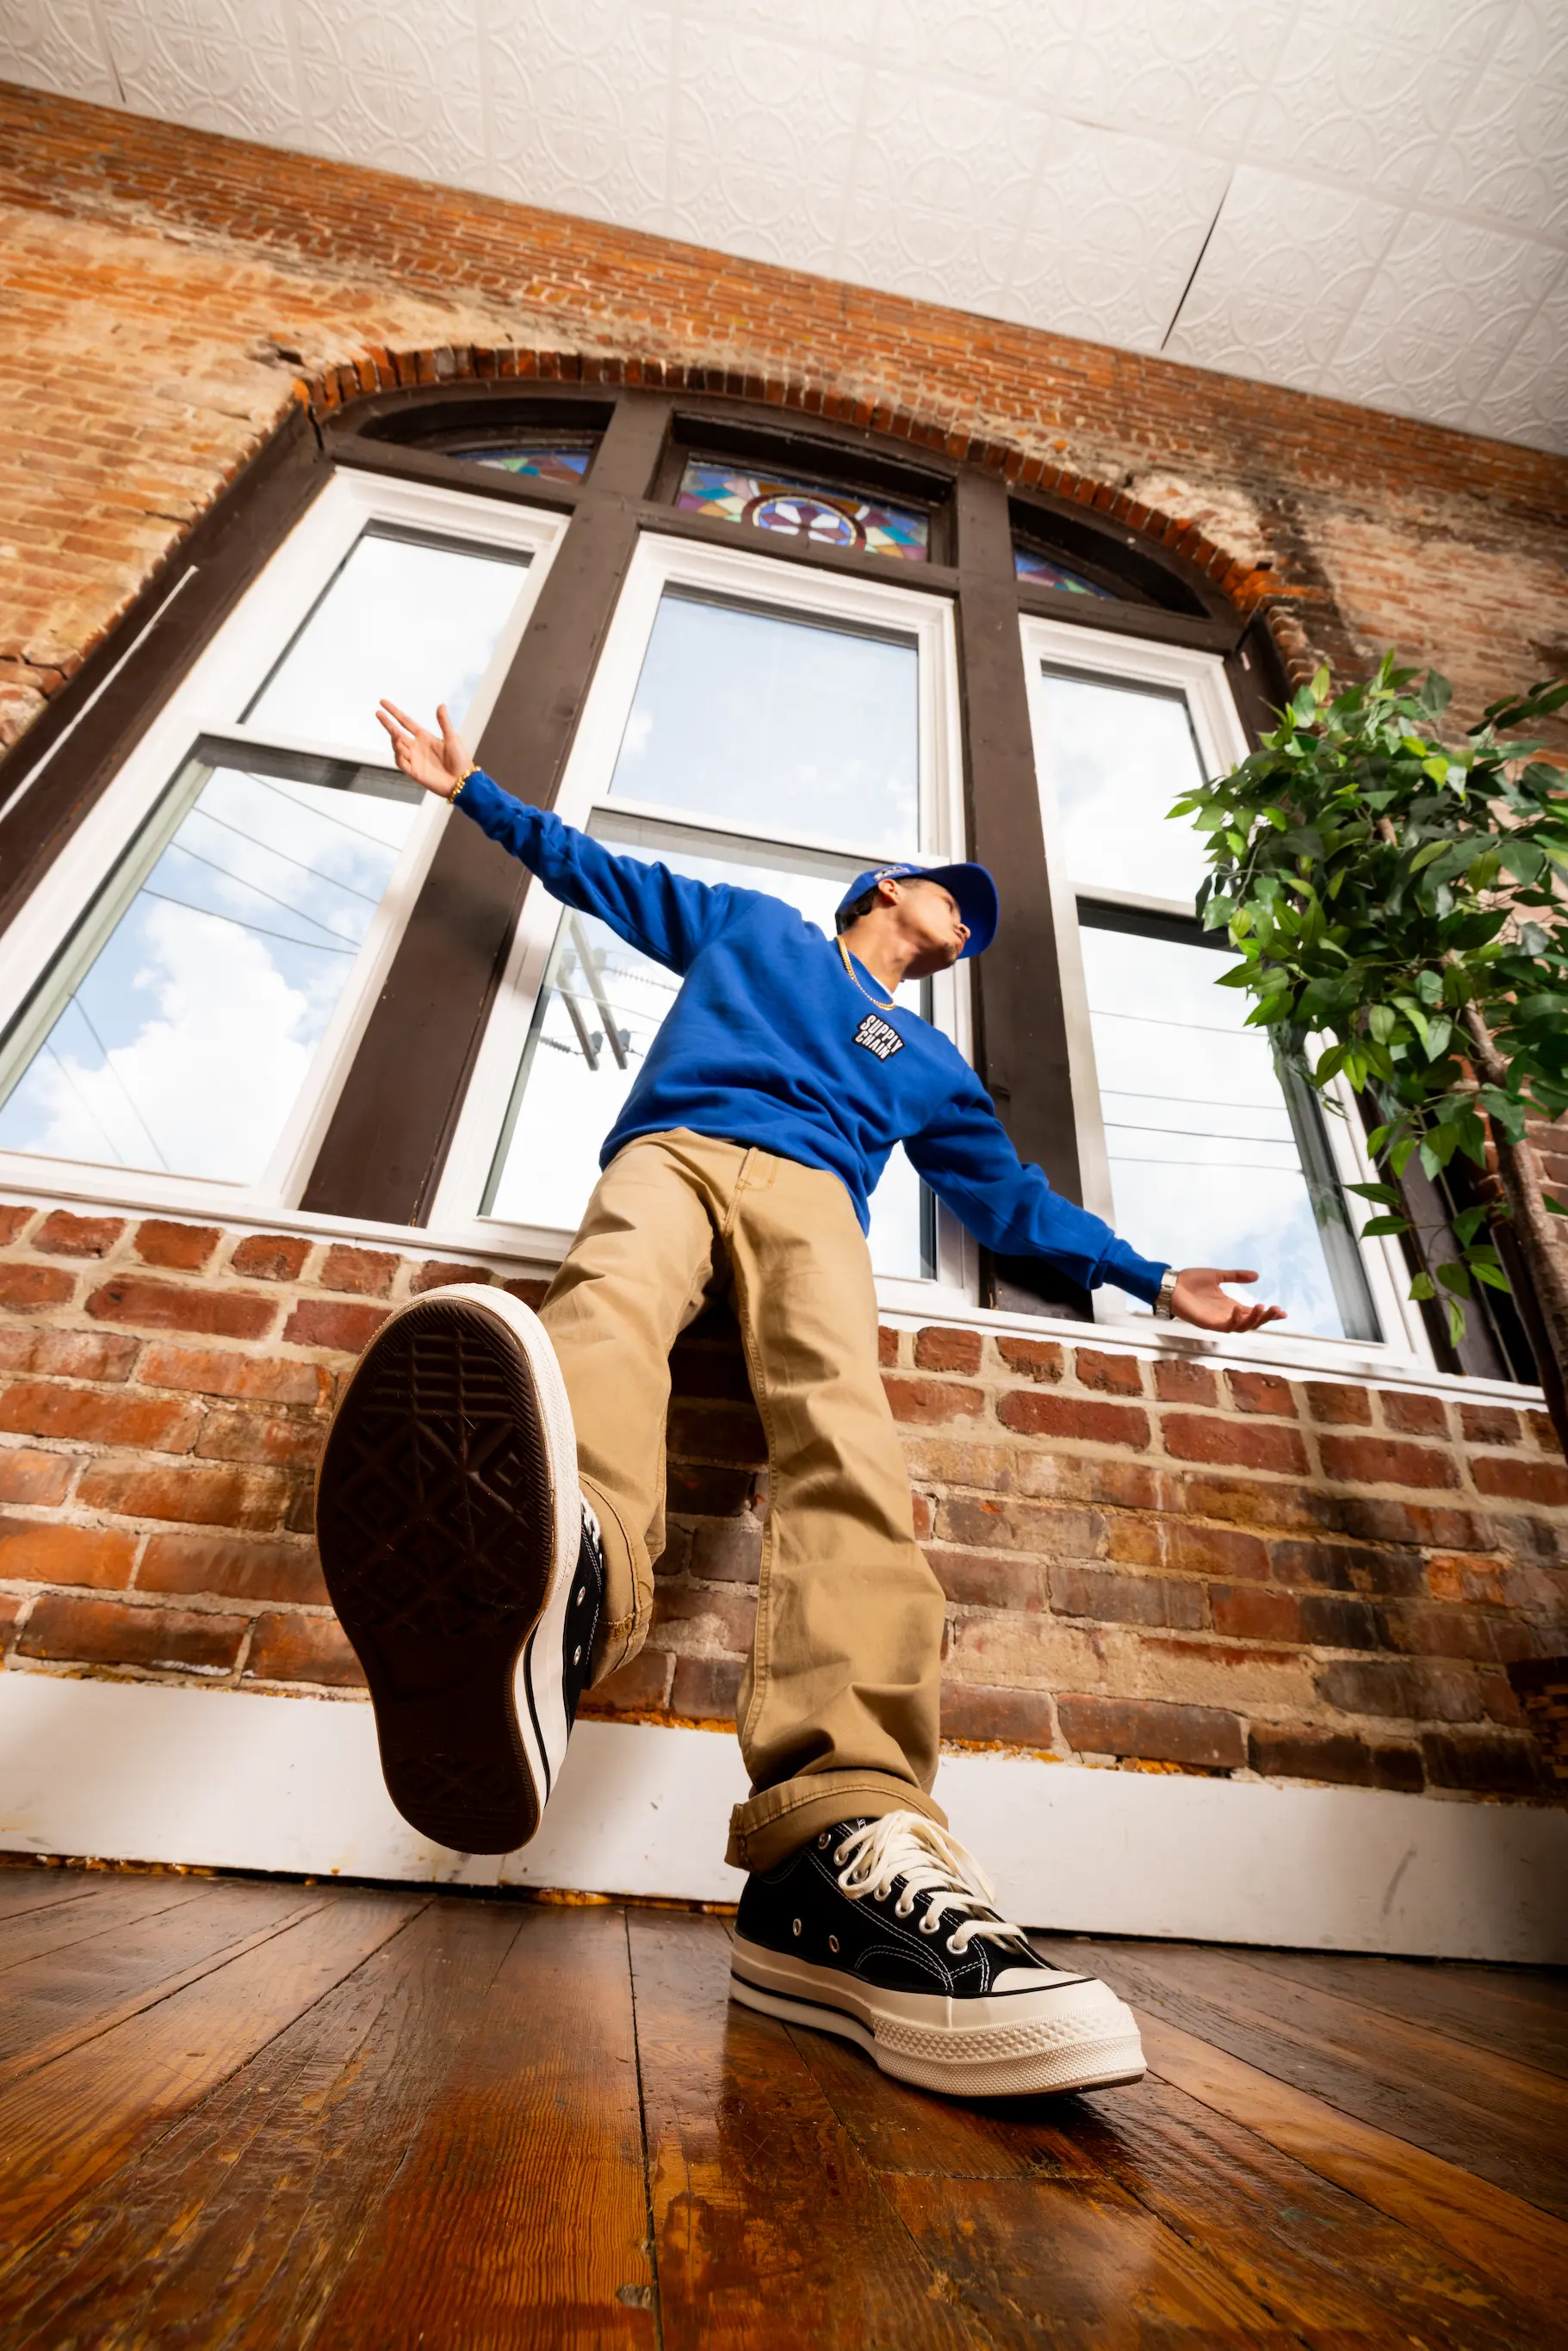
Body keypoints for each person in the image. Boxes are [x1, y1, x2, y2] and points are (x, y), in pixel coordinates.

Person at [316, 697, 1286, 2103]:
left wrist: (1147, 1276)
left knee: (846, 1436)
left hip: (819, 1199)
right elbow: (602, 875)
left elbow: (1008, 1202)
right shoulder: (757, 929)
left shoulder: (931, 1062)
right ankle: (568, 1573)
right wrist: (474, 791)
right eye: (956, 896)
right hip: (677, 1145)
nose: (969, 922)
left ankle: (848, 1818)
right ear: (890, 886)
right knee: (605, 1300)